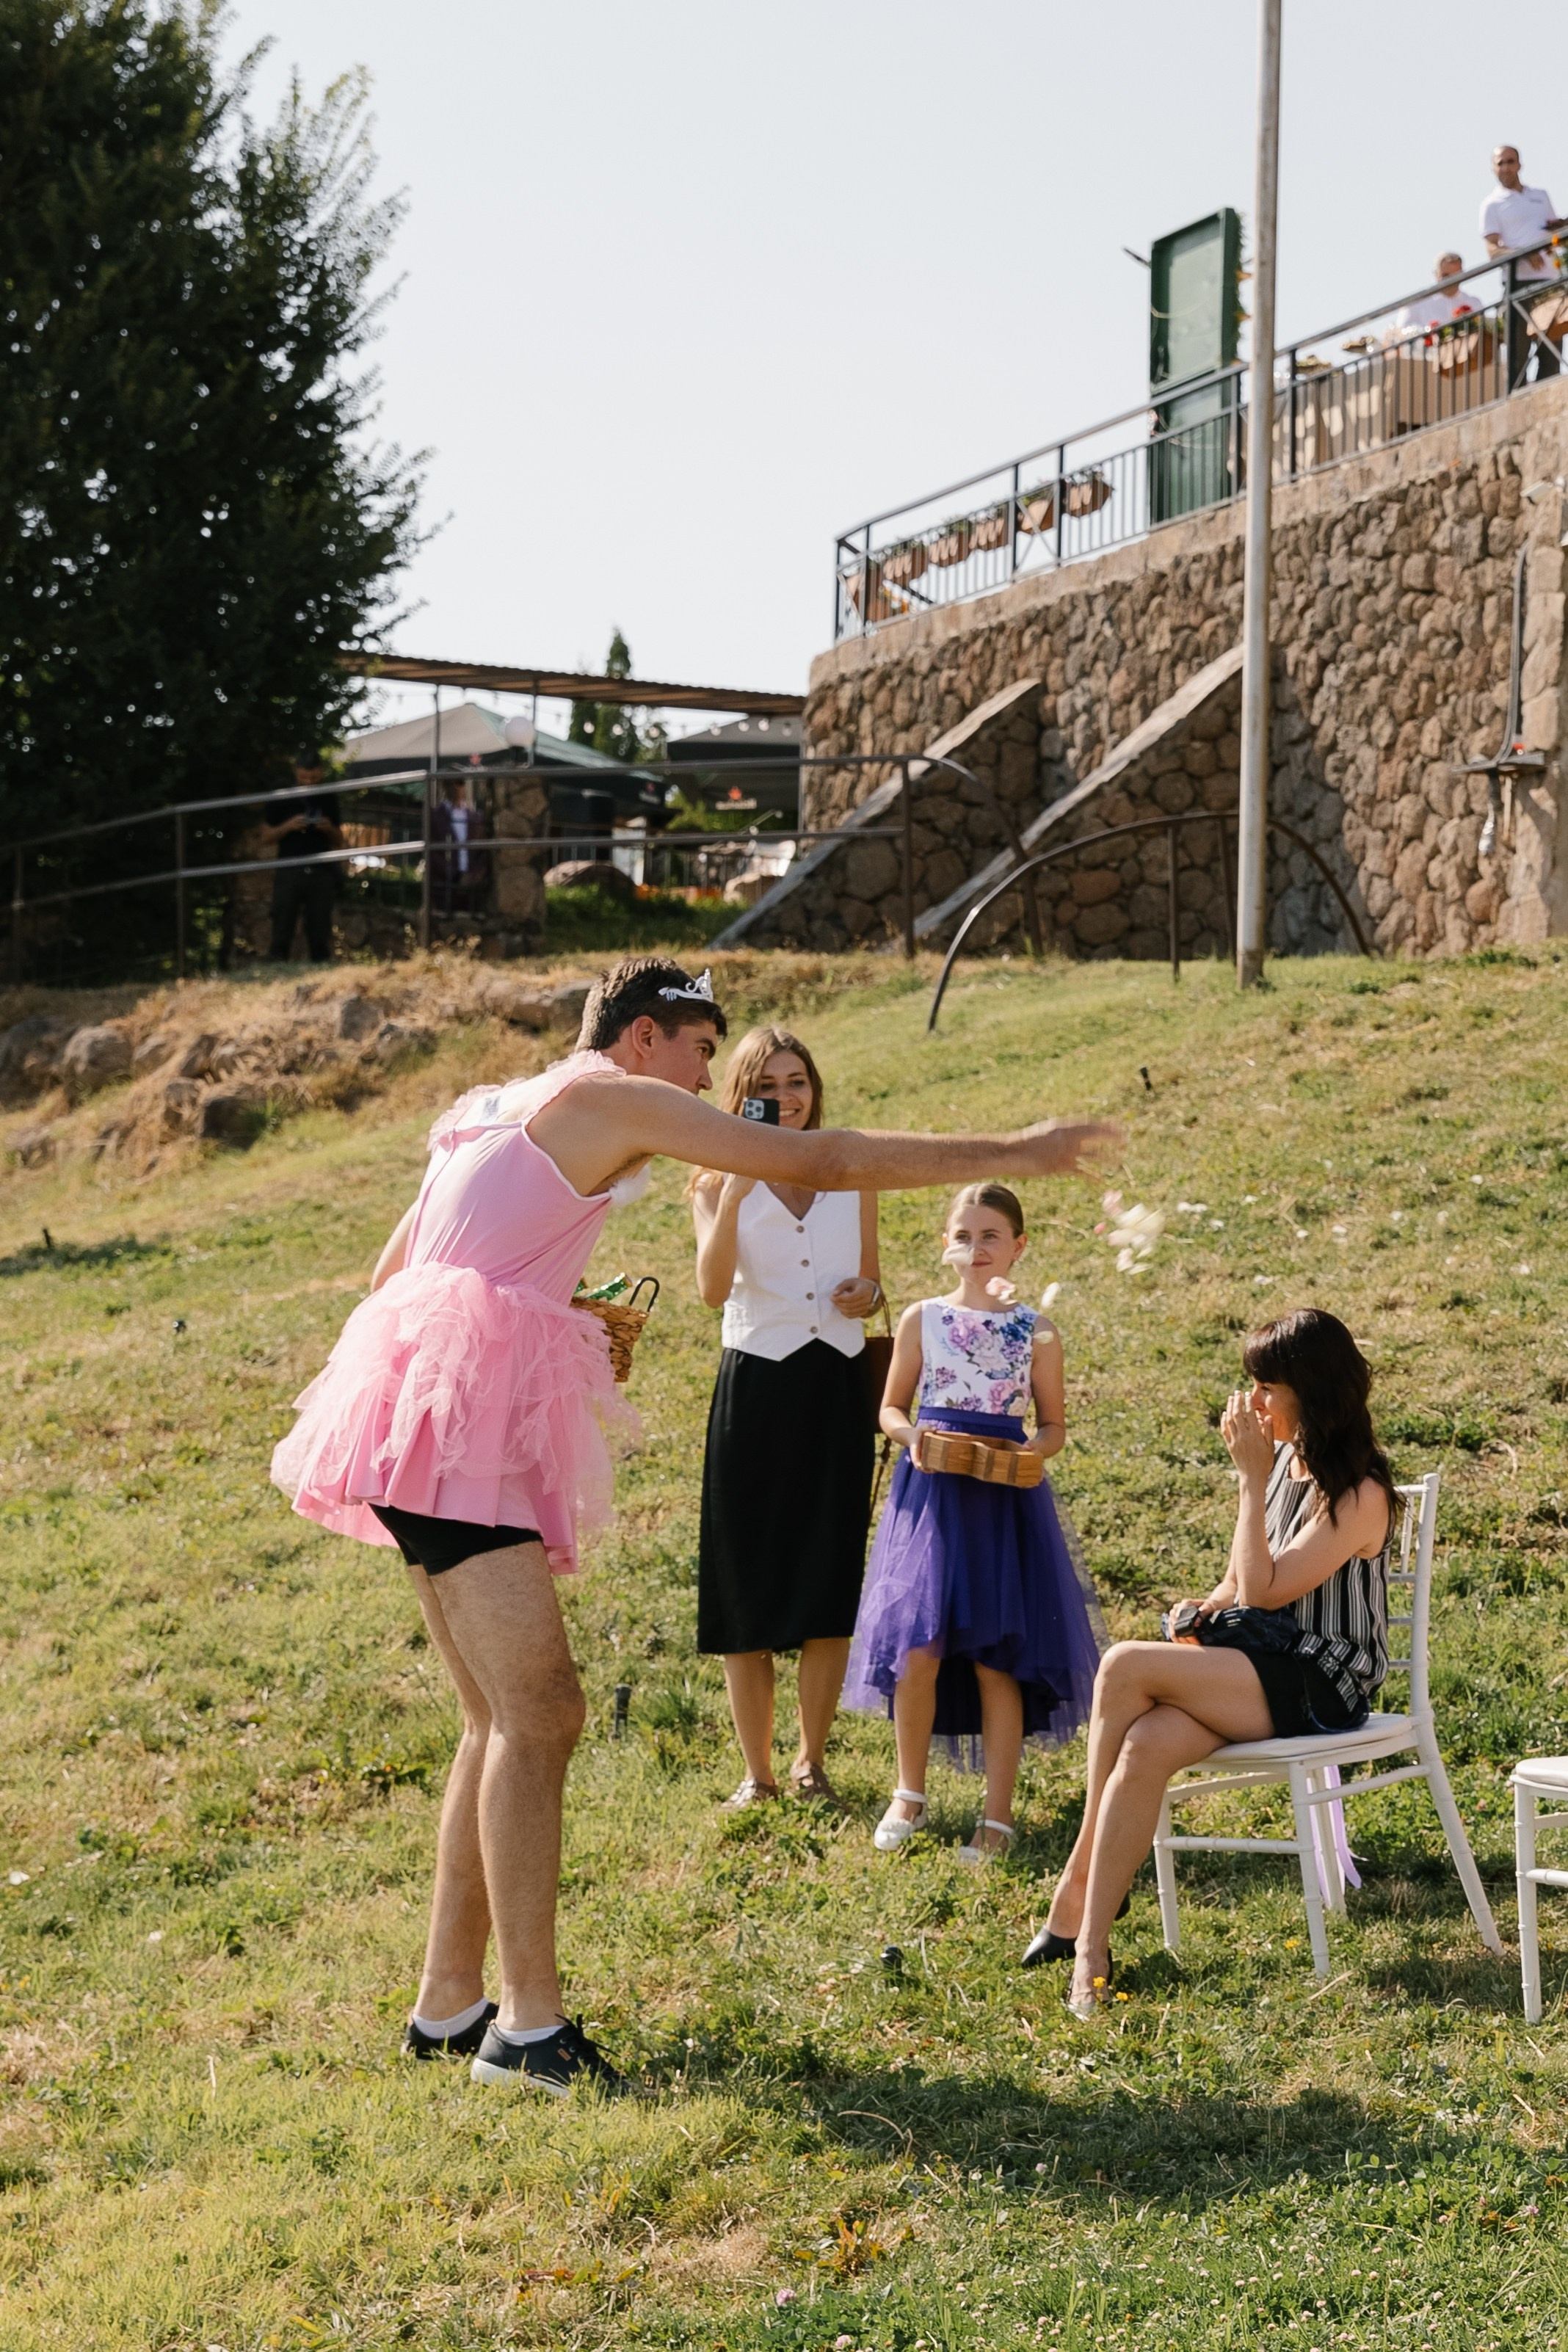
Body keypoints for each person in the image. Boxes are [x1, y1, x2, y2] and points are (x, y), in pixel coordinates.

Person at [269, 957, 1117, 2095]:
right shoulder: (608, 1096)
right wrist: (1017, 1150)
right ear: (643, 1039)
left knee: (494, 1717)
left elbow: (396, 1268)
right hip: (456, 1419)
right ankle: (529, 2032)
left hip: (411, 1404)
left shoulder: (490, 1108)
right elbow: (821, 1160)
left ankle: (446, 2004)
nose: (713, 1073)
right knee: (542, 1710)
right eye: (702, 1046)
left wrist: (536, 1309)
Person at [1027, 1307, 1393, 2021]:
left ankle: (1076, 1879)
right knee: (1144, 1744)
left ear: (1311, 1391)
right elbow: (1238, 1587)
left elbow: (1265, 1591)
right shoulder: (1288, 1462)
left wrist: (1248, 1482)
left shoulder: (1360, 1493)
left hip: (1324, 1683)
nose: (1253, 1403)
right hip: (1263, 1669)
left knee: (1125, 1667)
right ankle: (1091, 1951)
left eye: (1268, 1388)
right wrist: (1202, 1609)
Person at [843, 1183, 1106, 1862]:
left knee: (996, 1660)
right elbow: (891, 1408)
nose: (976, 1247)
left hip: (999, 1495)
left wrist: (1030, 1452)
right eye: (964, 1235)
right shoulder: (921, 1318)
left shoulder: (1035, 1330)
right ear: (946, 1246)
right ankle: (910, 1792)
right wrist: (914, 1439)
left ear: (1019, 1246)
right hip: (931, 1492)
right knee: (918, 1649)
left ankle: (997, 1817)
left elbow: (1052, 1426)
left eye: (991, 1236)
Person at [692, 1026, 882, 1812]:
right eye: (766, 1084)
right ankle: (757, 1773)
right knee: (746, 1582)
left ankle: (811, 1763)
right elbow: (710, 1289)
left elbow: (872, 1279)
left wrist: (866, 1295)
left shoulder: (851, 1172)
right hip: (757, 1388)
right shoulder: (711, 1181)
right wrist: (737, 1186)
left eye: (796, 1081)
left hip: (834, 1386)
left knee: (828, 1575)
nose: (785, 1096)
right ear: (742, 1095)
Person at [1481, 146, 1566, 383]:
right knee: (1518, 349)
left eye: (1510, 161)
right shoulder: (1492, 204)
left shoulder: (1540, 195)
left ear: (1520, 164)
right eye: (1500, 163)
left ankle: (1545, 392)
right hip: (1517, 283)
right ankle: (1518, 395)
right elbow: (1492, 250)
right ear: (1493, 168)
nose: (1506, 167)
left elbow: (1552, 229)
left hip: (1549, 279)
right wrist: (1525, 255)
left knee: (1552, 345)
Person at [261, 749, 344, 962]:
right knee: (282, 925)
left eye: (314, 778)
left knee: (319, 929)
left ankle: (320, 969)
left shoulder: (328, 796)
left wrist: (327, 827)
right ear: (295, 772)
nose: (308, 783)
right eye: (304, 778)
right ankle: (277, 968)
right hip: (289, 869)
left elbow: (339, 839)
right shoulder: (282, 796)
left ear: (321, 773)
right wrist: (288, 827)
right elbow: (265, 837)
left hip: (321, 870)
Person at [1390, 253, 1473, 338]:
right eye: (1446, 275)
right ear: (1436, 274)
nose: (1451, 280)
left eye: (1456, 275)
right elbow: (1401, 333)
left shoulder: (1474, 303)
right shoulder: (1416, 303)